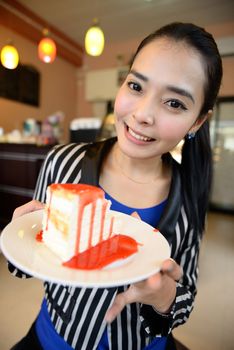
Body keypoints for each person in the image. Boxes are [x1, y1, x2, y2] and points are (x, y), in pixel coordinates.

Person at [8, 22, 222, 350]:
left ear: (197, 121)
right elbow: (28, 264)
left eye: (175, 103)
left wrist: (164, 296)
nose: (142, 114)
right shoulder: (62, 163)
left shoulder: (190, 193)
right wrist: (19, 237)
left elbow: (184, 299)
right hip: (54, 340)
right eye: (136, 86)